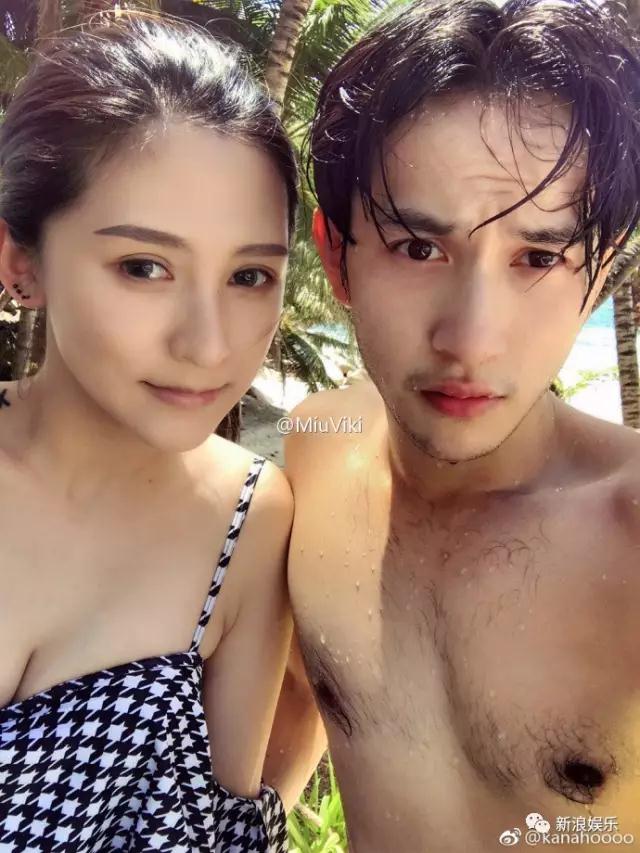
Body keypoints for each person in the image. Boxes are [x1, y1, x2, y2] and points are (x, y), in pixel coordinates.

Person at [285, 1, 640, 850]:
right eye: (418, 248)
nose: (472, 339)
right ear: (335, 256)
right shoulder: (312, 453)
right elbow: (295, 706)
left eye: (539, 257)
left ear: (596, 278)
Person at [0, 13, 316, 852]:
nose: (208, 346)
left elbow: (222, 830)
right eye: (145, 267)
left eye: (250, 276)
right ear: (21, 262)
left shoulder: (249, 521)